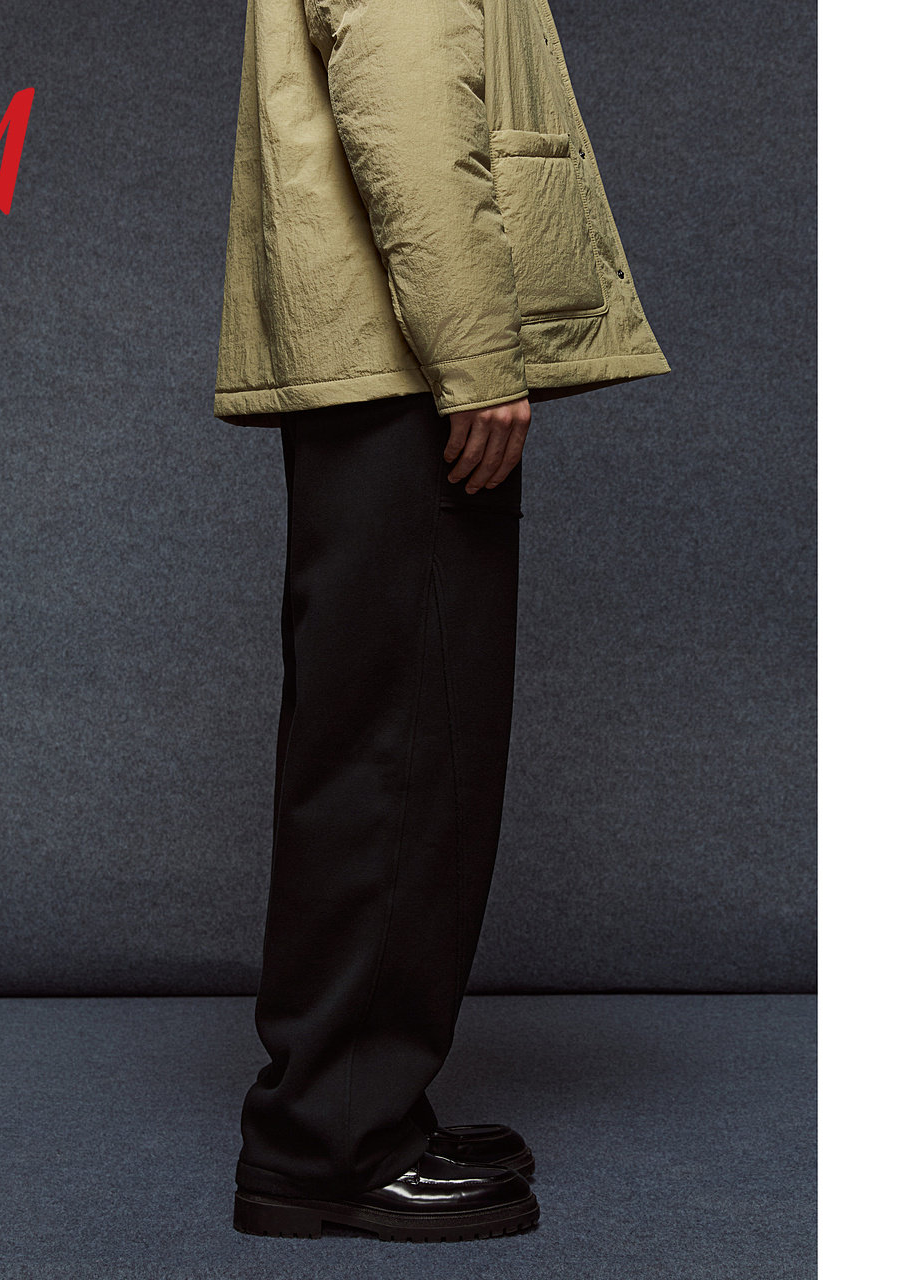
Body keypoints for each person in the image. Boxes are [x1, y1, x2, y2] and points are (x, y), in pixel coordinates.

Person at [213, 0, 670, 1243]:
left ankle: (352, 1110)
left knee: (385, 744)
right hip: (410, 365)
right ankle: (331, 1145)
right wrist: (477, 360)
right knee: (396, 758)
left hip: (384, 358)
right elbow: (407, 106)